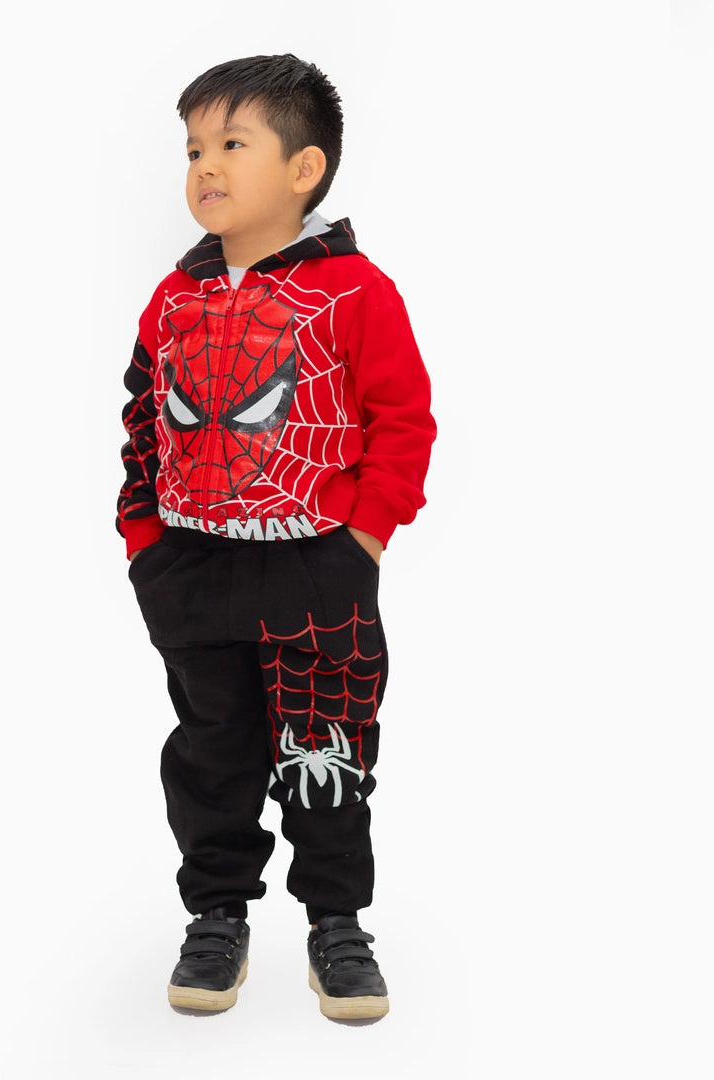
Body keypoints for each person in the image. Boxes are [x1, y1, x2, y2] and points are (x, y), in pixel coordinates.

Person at [116, 53, 435, 1020]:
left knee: (325, 748)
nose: (205, 166)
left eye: (232, 144)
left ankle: (337, 924)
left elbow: (402, 421)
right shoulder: (174, 299)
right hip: (193, 562)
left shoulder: (356, 291)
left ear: (304, 168)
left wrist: (363, 539)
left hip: (315, 565)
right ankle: (216, 914)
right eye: (193, 150)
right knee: (210, 753)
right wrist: (145, 540)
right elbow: (142, 419)